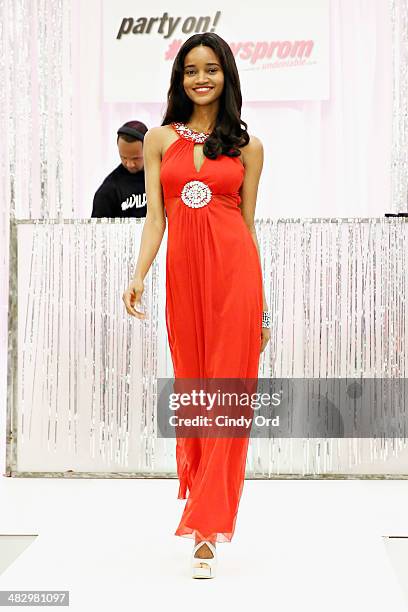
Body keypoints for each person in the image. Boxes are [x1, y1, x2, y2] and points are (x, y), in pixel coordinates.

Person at [122, 32, 271, 578]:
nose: (200, 78)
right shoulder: (160, 139)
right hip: (184, 282)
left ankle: (206, 527)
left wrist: (263, 310)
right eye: (190, 70)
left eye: (210, 69)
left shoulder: (248, 148)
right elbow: (156, 220)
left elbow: (248, 228)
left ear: (227, 75)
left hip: (237, 280)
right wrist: (138, 275)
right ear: (179, 79)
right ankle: (202, 506)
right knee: (195, 389)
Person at [91, 121, 147, 218]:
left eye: (136, 158)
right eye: (123, 157)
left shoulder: (162, 179)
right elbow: (98, 231)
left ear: (148, 149)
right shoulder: (108, 191)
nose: (129, 164)